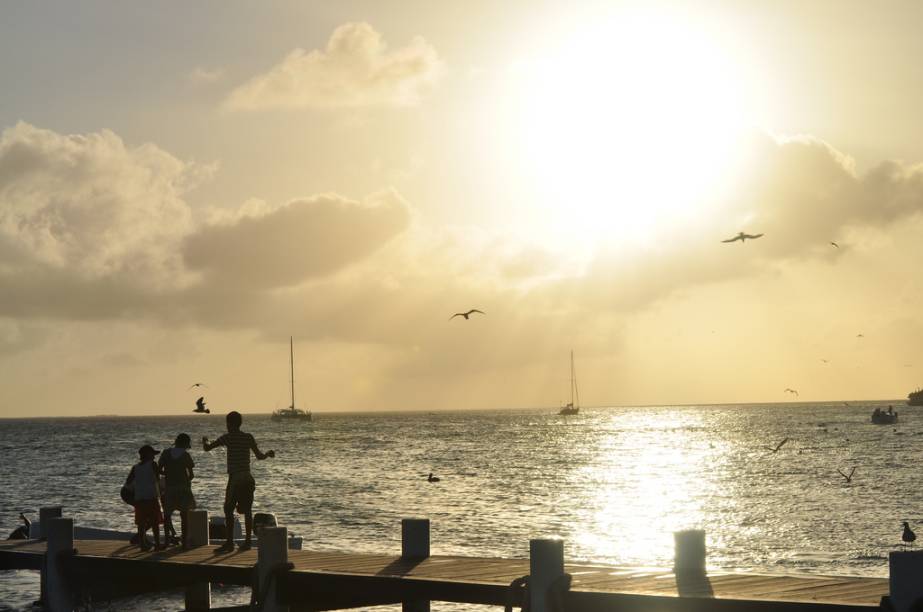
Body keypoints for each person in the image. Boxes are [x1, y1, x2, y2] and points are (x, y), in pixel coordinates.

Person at [203, 411, 276, 552]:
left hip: (235, 478)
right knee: (248, 510)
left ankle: (230, 543)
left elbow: (208, 448)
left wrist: (205, 440)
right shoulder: (248, 437)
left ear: (229, 423)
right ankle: (247, 542)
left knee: (228, 509)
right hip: (248, 478)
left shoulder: (228, 437)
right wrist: (268, 453)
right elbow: (260, 456)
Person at [159, 433, 196, 548]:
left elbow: (159, 470)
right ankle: (184, 543)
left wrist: (169, 474)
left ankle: (166, 541)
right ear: (186, 444)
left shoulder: (165, 453)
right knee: (184, 516)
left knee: (167, 516)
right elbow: (191, 475)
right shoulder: (186, 455)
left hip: (170, 488)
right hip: (183, 488)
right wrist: (185, 479)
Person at [125, 445, 164, 551]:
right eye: (152, 454)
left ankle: (142, 544)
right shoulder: (153, 464)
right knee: (154, 522)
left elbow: (128, 482)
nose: (154, 457)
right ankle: (157, 544)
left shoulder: (135, 467)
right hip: (151, 497)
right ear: (148, 455)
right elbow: (157, 478)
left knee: (141, 523)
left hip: (139, 498)